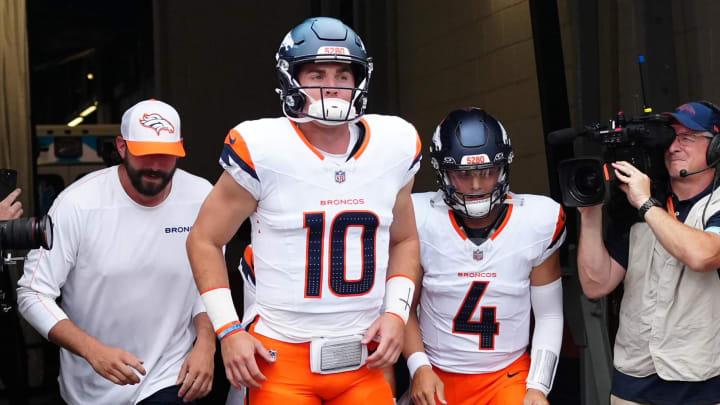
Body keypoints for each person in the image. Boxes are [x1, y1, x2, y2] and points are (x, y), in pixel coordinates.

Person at [186, 17, 421, 404]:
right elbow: (203, 240)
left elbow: (406, 239)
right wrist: (228, 330)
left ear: (359, 81)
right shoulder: (264, 147)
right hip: (280, 358)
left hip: (362, 360)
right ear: (290, 77)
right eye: (316, 74)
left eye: (343, 75)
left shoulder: (393, 144)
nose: (331, 87)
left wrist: (396, 313)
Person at [16, 99, 215, 404]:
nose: (155, 166)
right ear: (122, 147)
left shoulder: (202, 197)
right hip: (93, 384)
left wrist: (206, 345)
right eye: (145, 154)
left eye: (166, 155)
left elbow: (210, 284)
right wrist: (92, 350)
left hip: (169, 374)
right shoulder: (78, 204)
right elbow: (33, 292)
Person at [403, 108, 566, 405]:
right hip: (438, 373)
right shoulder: (419, 216)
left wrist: (538, 386)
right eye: (464, 174)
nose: (476, 185)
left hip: (508, 375)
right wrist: (419, 368)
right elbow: (402, 306)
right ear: (444, 173)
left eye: (487, 172)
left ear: (504, 169)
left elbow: (549, 314)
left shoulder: (539, 220)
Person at [577, 100, 720, 405]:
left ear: (716, 147)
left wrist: (646, 204)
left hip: (703, 386)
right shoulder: (635, 204)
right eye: (670, 138)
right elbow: (596, 284)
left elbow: (705, 256)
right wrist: (590, 214)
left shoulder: (709, 203)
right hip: (633, 382)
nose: (673, 146)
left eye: (687, 137)